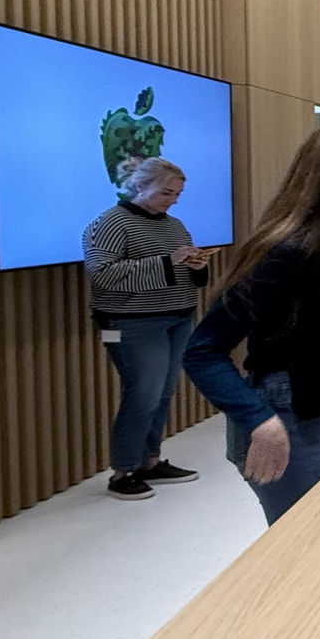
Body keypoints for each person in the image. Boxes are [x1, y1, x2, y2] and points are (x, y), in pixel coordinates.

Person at [183, 123, 320, 524]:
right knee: (310, 548)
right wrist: (259, 422)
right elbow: (202, 352)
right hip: (290, 413)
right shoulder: (285, 252)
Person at [81, 157, 213, 500]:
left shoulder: (174, 225)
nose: (173, 199)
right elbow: (103, 274)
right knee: (142, 394)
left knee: (163, 392)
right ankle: (123, 469)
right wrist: (169, 262)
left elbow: (182, 271)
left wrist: (196, 265)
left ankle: (149, 460)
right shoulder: (110, 223)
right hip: (133, 322)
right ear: (140, 185)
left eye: (178, 194)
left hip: (177, 316)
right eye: (166, 192)